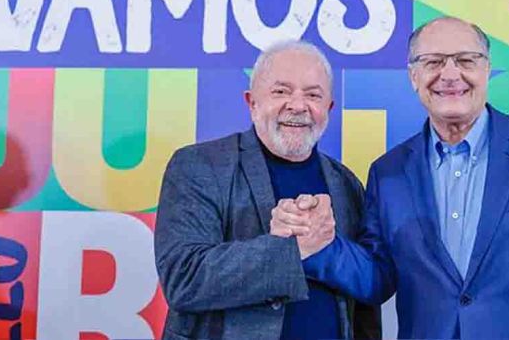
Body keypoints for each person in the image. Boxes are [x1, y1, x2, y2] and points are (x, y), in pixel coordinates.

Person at [273, 17, 509, 338]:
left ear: (487, 69)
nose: (450, 74)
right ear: (413, 76)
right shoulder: (388, 172)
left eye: (466, 60)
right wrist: (320, 245)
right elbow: (378, 278)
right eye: (433, 62)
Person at [154, 41, 380, 340]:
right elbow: (184, 278)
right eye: (281, 91)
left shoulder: (346, 183)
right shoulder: (200, 165)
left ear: (329, 108)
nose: (298, 105)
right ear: (252, 103)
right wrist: (293, 249)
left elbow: (369, 290)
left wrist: (326, 246)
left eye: (313, 95)